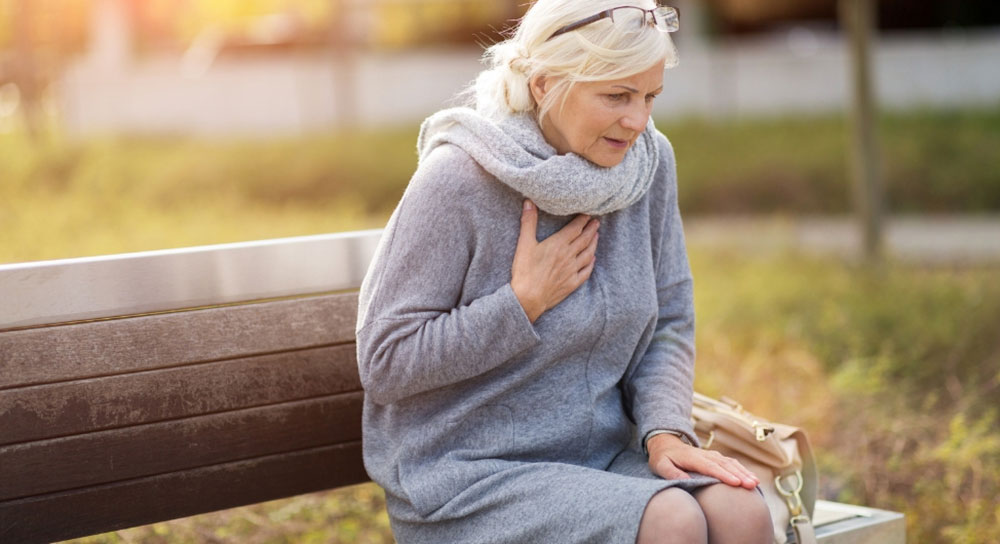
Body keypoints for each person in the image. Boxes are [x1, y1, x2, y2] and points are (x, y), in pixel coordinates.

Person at [355, 1, 774, 542]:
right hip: (470, 474)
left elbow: (668, 320)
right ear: (545, 85)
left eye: (649, 96)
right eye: (616, 96)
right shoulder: (458, 179)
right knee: (673, 523)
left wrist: (665, 431)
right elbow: (386, 361)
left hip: (598, 458)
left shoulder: (647, 163)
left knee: (743, 511)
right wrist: (520, 303)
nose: (637, 120)